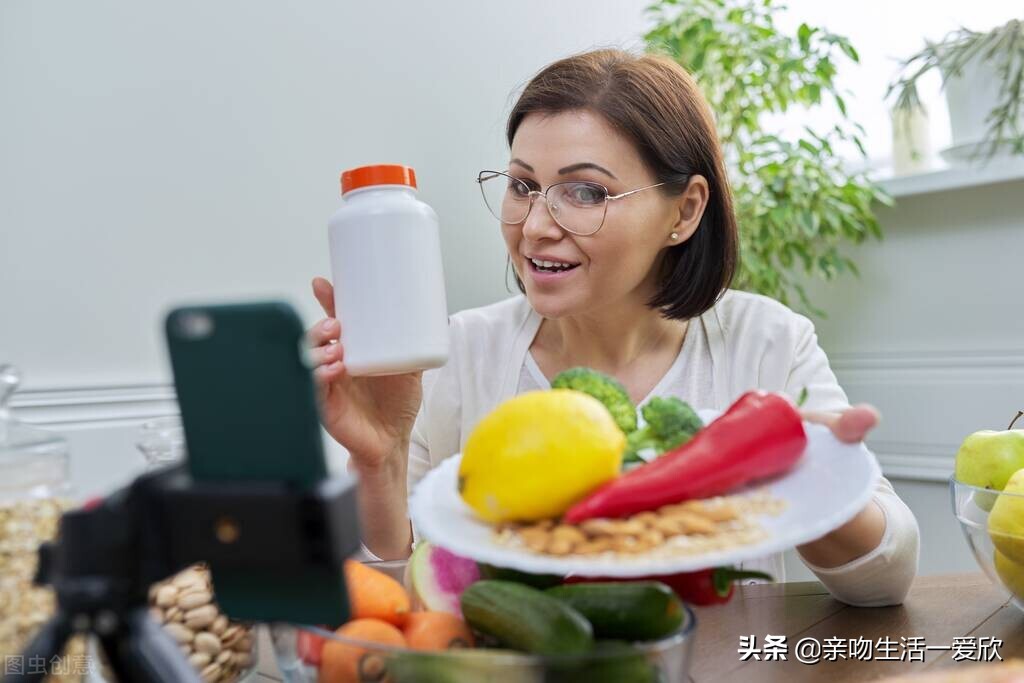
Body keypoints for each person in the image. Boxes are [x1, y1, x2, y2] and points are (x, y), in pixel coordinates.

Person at [307, 48, 919, 606]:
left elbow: (886, 581)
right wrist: (379, 461)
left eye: (586, 192)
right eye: (522, 185)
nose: (536, 225)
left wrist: (809, 476)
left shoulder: (766, 341)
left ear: (685, 210)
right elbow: (390, 611)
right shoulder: (458, 352)